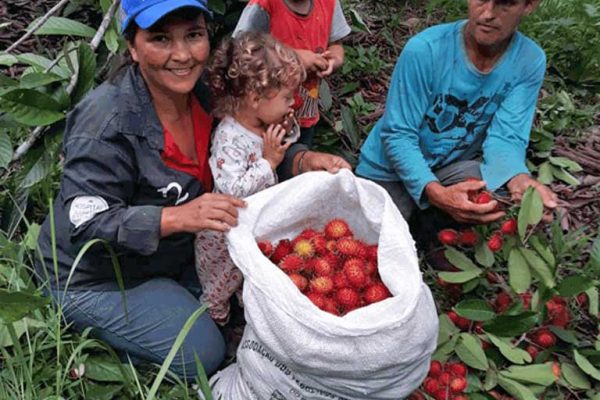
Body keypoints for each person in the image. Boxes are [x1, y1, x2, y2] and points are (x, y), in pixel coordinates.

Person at [34, 0, 349, 380]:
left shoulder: (207, 91)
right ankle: (89, 340)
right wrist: (177, 217)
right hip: (96, 276)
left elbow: (252, 142)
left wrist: (302, 159)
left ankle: (177, 290)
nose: (182, 55)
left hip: (176, 250)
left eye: (194, 35)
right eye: (161, 39)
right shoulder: (106, 122)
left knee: (265, 287)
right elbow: (86, 221)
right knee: (203, 350)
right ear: (132, 46)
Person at [356, 0, 557, 233]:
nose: (488, 13)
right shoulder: (426, 49)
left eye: (505, 3)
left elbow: (506, 137)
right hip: (389, 172)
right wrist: (435, 192)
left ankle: (433, 231)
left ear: (529, 5)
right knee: (374, 239)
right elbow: (398, 134)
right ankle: (426, 225)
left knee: (502, 191)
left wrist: (519, 179)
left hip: (448, 167)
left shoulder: (528, 60)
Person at [195, 32, 305, 325]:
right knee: (219, 286)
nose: (293, 103)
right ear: (256, 99)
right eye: (286, 97)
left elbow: (285, 140)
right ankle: (216, 322)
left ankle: (247, 317)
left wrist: (286, 129)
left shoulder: (265, 123)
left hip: (253, 225)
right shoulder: (229, 137)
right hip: (223, 236)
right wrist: (268, 163)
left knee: (250, 278)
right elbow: (231, 189)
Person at [232, 0, 352, 149]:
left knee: (301, 151)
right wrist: (293, 57)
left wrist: (334, 59)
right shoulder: (264, 6)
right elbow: (241, 50)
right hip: (265, 116)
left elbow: (336, 44)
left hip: (305, 111)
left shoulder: (329, 3)